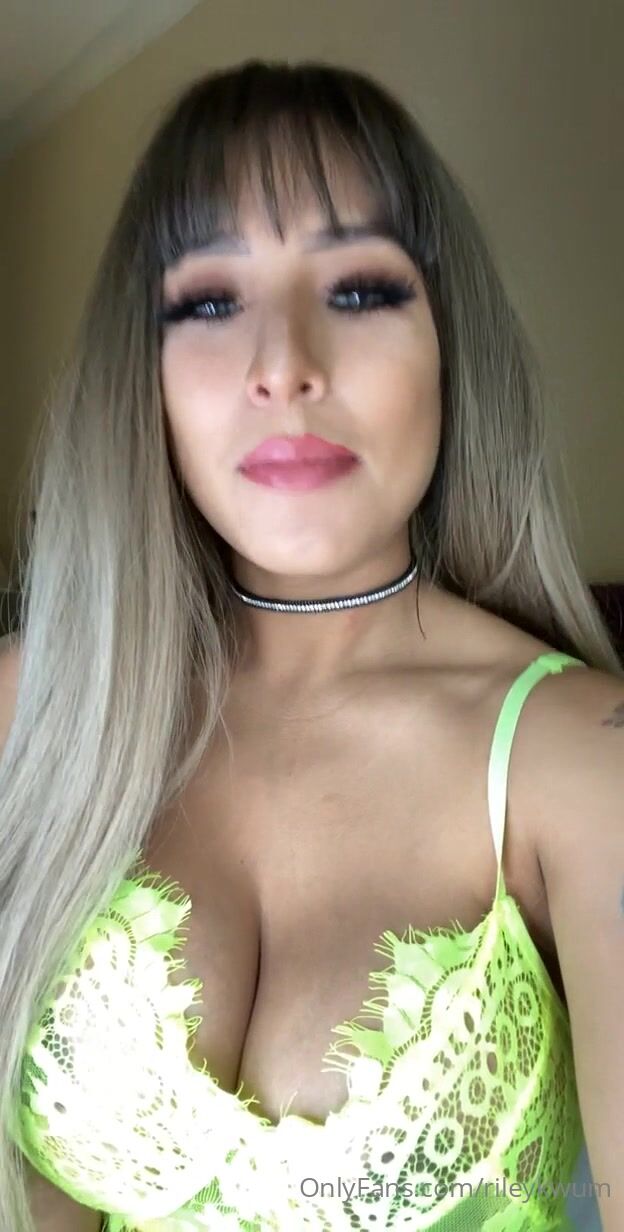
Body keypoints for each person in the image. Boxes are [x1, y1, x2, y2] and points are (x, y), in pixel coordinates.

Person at [0, 58, 621, 1232]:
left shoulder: (582, 756)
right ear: (143, 375)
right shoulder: (32, 714)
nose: (283, 366)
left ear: (449, 344)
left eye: (358, 289)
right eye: (208, 303)